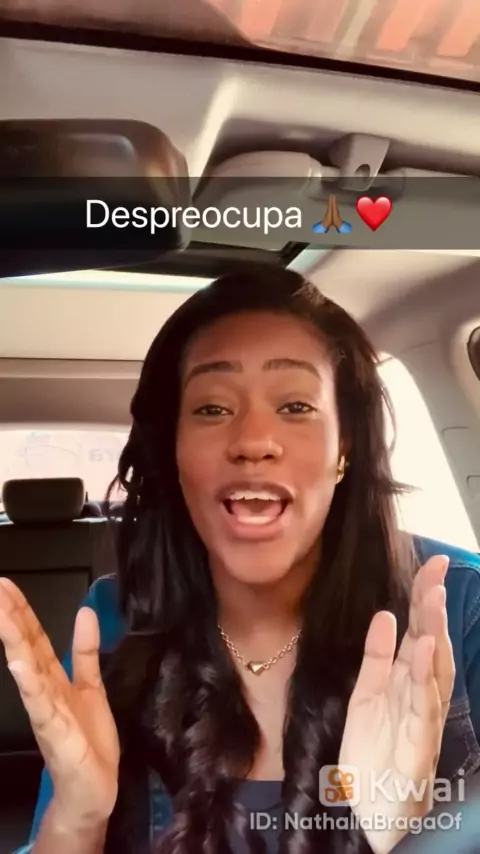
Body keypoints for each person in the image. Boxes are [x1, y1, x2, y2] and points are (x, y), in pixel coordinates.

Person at [1, 268, 480, 854]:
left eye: (296, 405)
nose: (253, 441)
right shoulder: (115, 619)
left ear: (345, 447)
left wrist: (402, 836)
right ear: (174, 452)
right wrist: (77, 818)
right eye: (211, 409)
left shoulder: (460, 611)